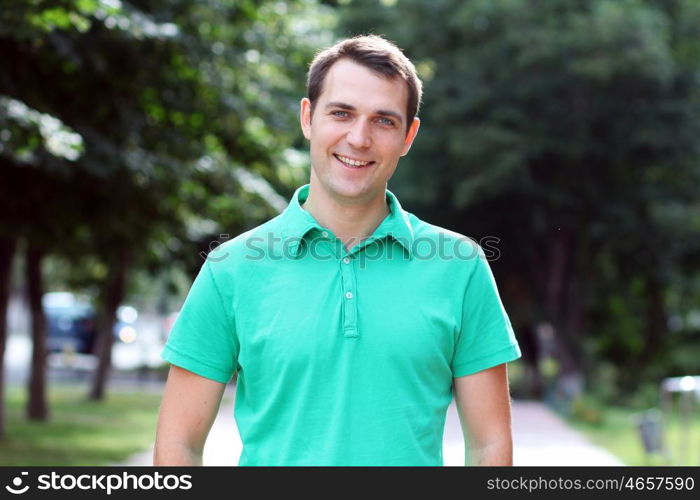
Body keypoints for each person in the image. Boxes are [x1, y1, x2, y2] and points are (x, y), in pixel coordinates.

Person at [154, 35, 521, 466]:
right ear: (308, 117)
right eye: (341, 113)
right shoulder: (231, 269)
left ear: (408, 136)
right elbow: (179, 445)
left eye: (384, 121)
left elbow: (490, 445)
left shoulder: (460, 268)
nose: (359, 138)